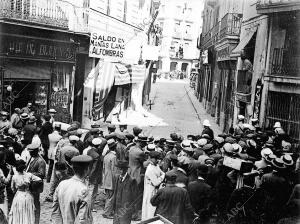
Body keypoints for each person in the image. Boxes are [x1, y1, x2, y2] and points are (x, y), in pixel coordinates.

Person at [52, 155, 93, 224]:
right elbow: (82, 219)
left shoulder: (61, 184)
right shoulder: (84, 190)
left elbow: (55, 211)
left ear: (73, 169)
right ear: (87, 170)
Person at [9, 160, 42, 224]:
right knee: (28, 212)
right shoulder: (29, 175)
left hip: (18, 196)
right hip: (28, 195)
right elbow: (39, 179)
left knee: (19, 212)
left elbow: (12, 188)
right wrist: (32, 186)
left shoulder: (14, 177)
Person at [25, 142, 46, 224]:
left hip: (36, 186)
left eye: (31, 152)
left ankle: (36, 221)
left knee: (36, 204)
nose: (30, 153)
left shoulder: (41, 161)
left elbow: (42, 174)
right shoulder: (31, 158)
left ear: (36, 151)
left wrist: (29, 174)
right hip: (30, 185)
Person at [142, 151, 165, 220]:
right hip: (150, 190)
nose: (157, 160)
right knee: (150, 207)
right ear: (150, 158)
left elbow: (163, 173)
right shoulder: (150, 169)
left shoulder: (156, 166)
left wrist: (161, 176)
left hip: (155, 189)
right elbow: (156, 183)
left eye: (158, 158)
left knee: (154, 208)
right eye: (155, 159)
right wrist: (161, 177)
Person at [102, 139, 118, 219]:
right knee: (111, 197)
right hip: (111, 178)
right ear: (115, 147)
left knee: (108, 196)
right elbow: (114, 170)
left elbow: (104, 168)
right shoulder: (114, 157)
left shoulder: (106, 156)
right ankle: (107, 213)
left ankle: (107, 211)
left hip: (106, 177)